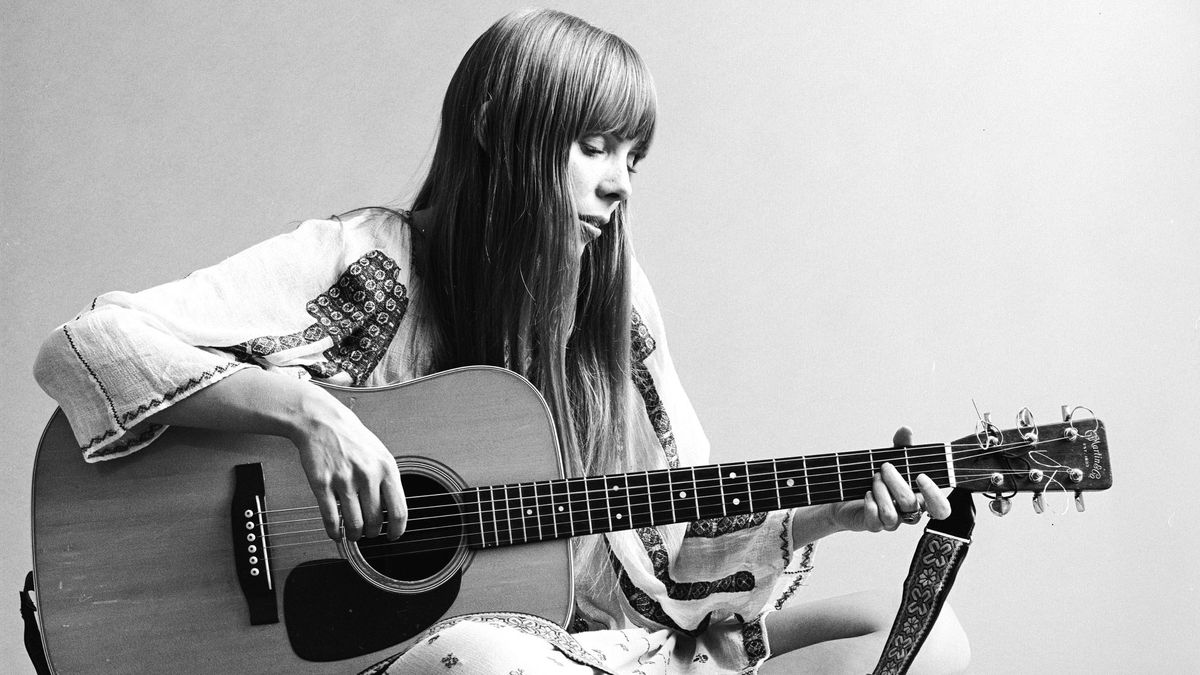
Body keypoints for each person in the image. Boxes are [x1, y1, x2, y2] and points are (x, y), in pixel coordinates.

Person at [33, 8, 968, 674]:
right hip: (438, 654)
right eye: (595, 146)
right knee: (489, 655)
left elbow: (664, 556)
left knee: (928, 633)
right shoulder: (373, 261)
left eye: (633, 159)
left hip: (598, 645)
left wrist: (819, 517)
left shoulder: (617, 308)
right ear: (498, 128)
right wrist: (305, 412)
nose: (621, 185)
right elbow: (87, 346)